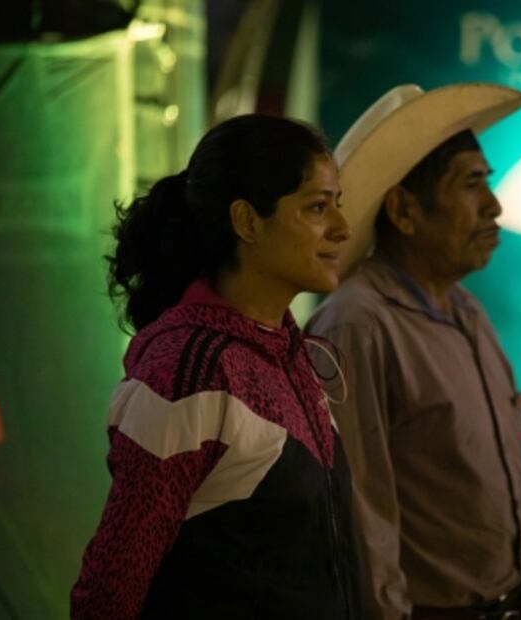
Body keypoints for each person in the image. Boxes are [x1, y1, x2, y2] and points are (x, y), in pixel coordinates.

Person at [71, 114, 361, 619]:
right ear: (248, 221)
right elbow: (110, 591)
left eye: (337, 205)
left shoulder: (292, 358)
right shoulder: (186, 372)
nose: (342, 228)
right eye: (317, 207)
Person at [306, 83, 521, 619]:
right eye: (471, 185)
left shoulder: (467, 313)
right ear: (403, 211)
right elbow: (359, 513)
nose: (494, 206)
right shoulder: (358, 324)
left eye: (486, 183)